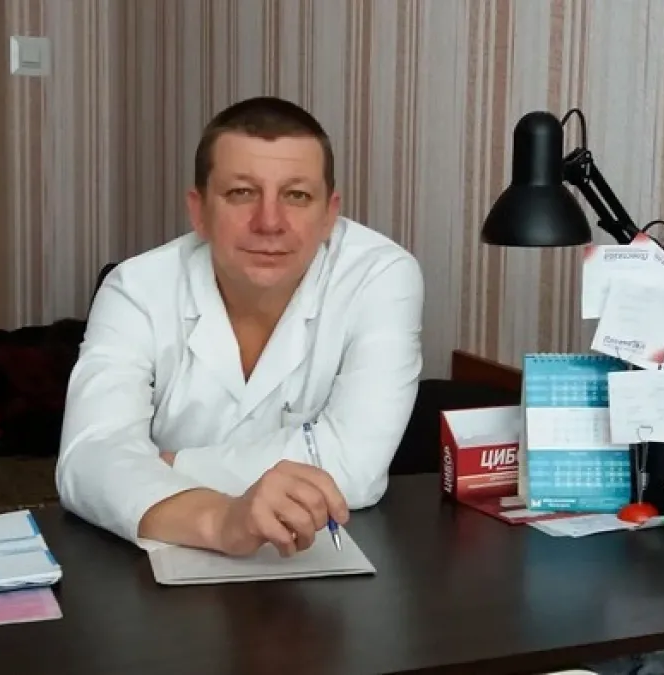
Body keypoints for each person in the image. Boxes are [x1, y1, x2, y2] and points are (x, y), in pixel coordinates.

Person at [55, 96, 424, 558]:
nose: (269, 222)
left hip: (316, 563)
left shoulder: (381, 276)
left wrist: (170, 467)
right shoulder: (136, 288)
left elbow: (356, 467)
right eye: (241, 193)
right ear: (199, 211)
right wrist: (221, 520)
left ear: (330, 214)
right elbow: (88, 457)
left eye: (297, 196)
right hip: (164, 561)